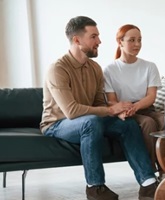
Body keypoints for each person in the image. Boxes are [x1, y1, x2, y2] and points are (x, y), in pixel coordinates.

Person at [40, 16, 158, 200]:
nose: (99, 41)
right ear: (77, 40)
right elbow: (71, 111)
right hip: (58, 124)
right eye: (93, 37)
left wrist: (117, 113)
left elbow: (99, 104)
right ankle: (95, 187)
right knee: (91, 122)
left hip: (89, 120)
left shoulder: (94, 68)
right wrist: (110, 110)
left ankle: (148, 183)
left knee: (128, 124)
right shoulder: (57, 69)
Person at [103, 24, 165, 175]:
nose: (137, 44)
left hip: (145, 107)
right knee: (148, 123)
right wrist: (125, 110)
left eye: (139, 40)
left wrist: (136, 107)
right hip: (125, 110)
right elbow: (111, 100)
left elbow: (151, 96)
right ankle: (150, 171)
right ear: (120, 42)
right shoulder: (110, 69)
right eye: (132, 40)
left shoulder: (149, 67)